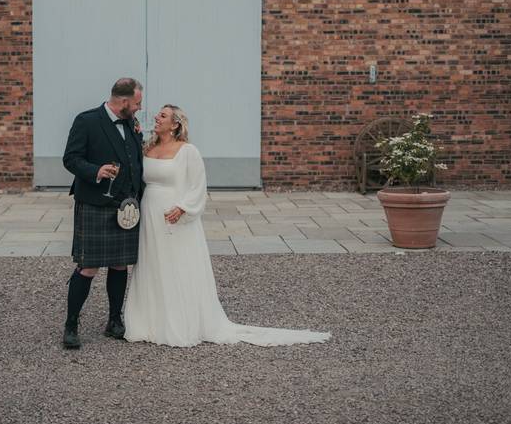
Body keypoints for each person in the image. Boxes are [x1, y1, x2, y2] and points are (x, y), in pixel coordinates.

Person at [123, 105, 331, 347]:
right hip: (150, 214)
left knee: (175, 266)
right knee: (152, 264)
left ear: (175, 124)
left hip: (175, 217)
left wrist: (183, 207)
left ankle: (179, 322)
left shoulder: (188, 151)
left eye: (163, 116)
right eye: (158, 114)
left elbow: (198, 185)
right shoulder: (148, 148)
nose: (156, 118)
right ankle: (149, 321)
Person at [61, 78, 144, 350]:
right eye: (137, 103)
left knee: (120, 264)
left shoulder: (131, 124)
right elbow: (71, 158)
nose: (138, 108)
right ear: (123, 102)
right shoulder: (86, 121)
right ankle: (71, 324)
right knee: (88, 266)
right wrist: (95, 171)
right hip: (95, 204)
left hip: (125, 206)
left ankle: (114, 320)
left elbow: (134, 159)